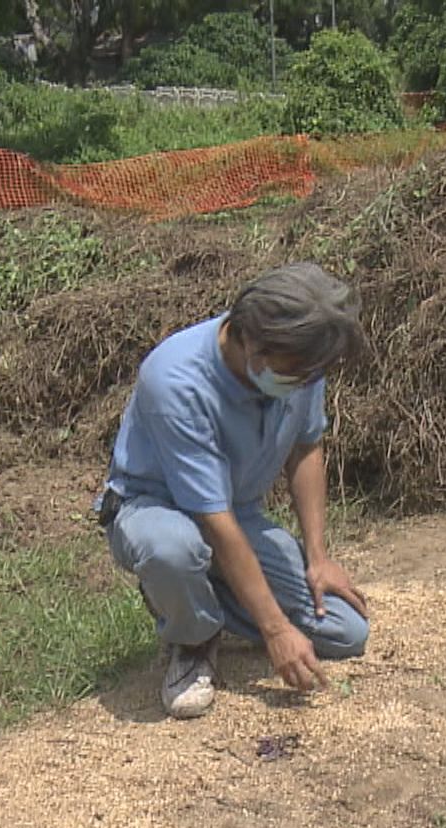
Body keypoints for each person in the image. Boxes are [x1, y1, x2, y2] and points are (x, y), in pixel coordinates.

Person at [96, 263, 371, 719]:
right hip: (155, 508)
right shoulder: (176, 381)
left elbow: (306, 447)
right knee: (173, 550)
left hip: (236, 514)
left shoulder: (302, 357)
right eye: (299, 373)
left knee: (345, 633)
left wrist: (319, 558)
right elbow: (212, 519)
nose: (307, 382)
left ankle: (199, 595)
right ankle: (193, 637)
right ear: (254, 348)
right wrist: (275, 629)